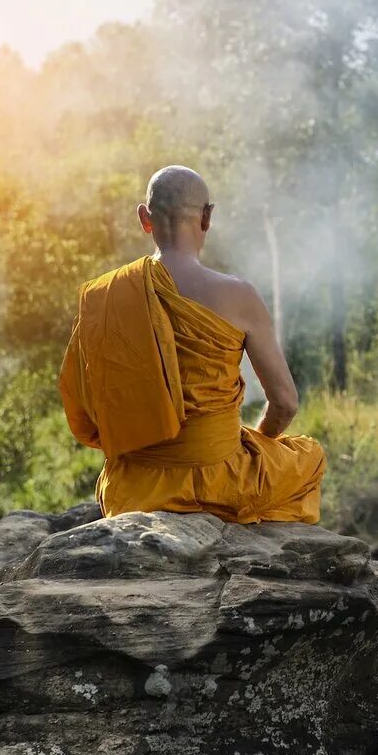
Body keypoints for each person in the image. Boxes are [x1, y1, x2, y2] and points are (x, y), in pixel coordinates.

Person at [58, 165, 325, 524]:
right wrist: (252, 444)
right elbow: (285, 403)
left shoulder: (106, 296)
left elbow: (86, 413)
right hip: (219, 479)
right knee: (310, 456)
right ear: (207, 217)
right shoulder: (239, 295)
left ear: (144, 218)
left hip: (134, 486)